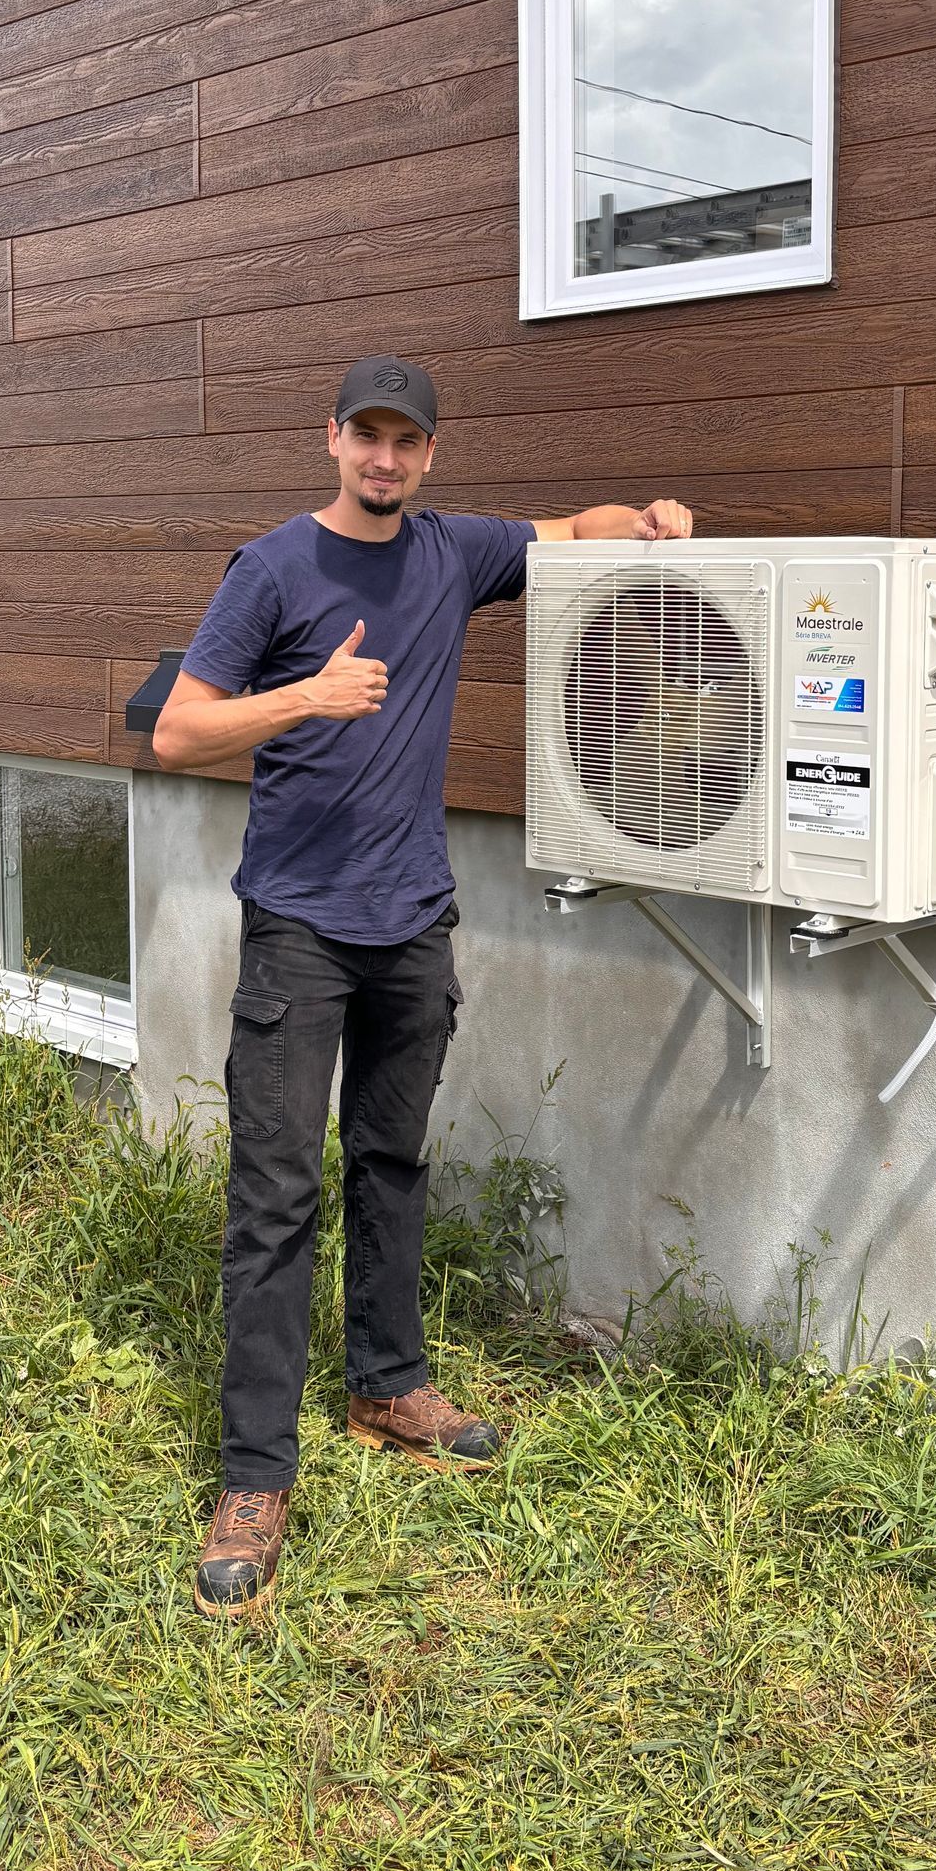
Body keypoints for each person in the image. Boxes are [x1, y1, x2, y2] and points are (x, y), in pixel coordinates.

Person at [153, 354, 693, 1618]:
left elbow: (572, 533)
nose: (386, 459)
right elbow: (177, 728)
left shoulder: (455, 552)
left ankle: (387, 1382)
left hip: (411, 927)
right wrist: (308, 697)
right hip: (298, 929)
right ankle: (252, 1474)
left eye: (408, 442)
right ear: (331, 439)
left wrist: (651, 519)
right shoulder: (272, 569)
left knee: (390, 1161)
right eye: (367, 438)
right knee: (274, 1195)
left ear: (431, 455)